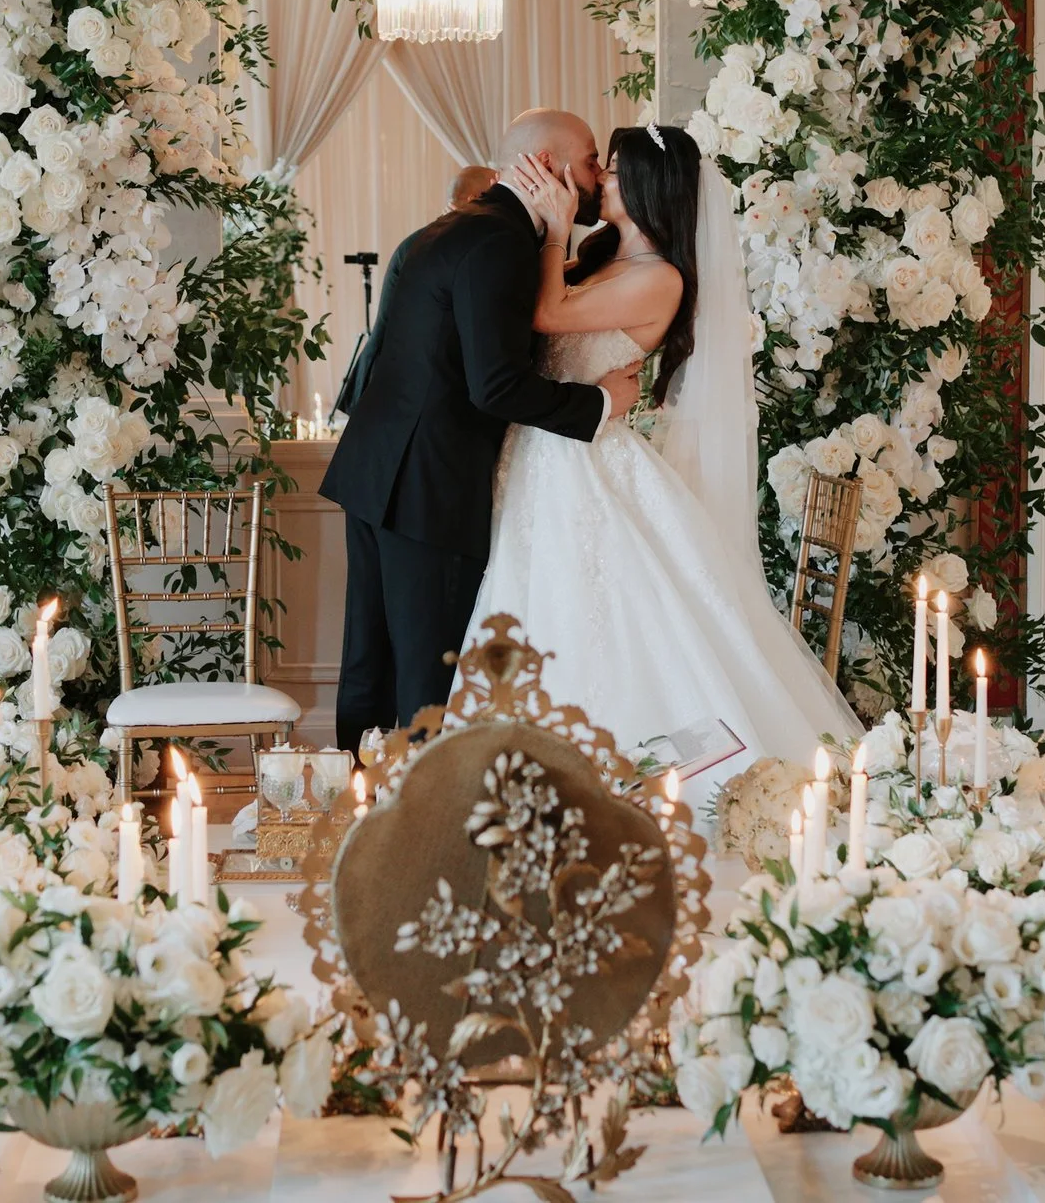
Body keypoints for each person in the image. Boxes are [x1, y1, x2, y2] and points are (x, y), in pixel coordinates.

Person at [466, 124, 863, 801]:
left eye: (615, 172)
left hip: (587, 465)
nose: (600, 181)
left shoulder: (661, 279)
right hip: (542, 454)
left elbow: (546, 315)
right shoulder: (603, 258)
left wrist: (556, 227)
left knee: (601, 613)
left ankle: (633, 781)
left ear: (650, 185)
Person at [321, 110, 644, 750]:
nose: (596, 176)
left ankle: (354, 806)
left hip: (377, 469)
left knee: (370, 659)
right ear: (548, 167)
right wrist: (600, 403)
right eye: (587, 161)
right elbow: (494, 385)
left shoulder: (450, 228)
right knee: (425, 671)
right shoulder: (501, 244)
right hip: (429, 486)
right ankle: (416, 827)